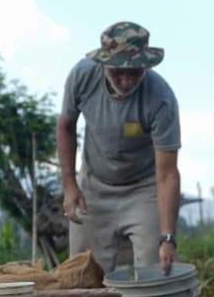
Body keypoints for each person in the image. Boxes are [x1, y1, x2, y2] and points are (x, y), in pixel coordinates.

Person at [57, 21, 182, 276]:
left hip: (144, 190)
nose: (126, 80)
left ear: (146, 66)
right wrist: (70, 184)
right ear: (103, 64)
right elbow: (66, 126)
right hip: (94, 186)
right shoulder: (82, 77)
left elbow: (167, 174)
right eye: (117, 72)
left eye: (135, 72)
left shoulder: (161, 98)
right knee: (82, 275)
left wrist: (167, 238)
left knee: (156, 271)